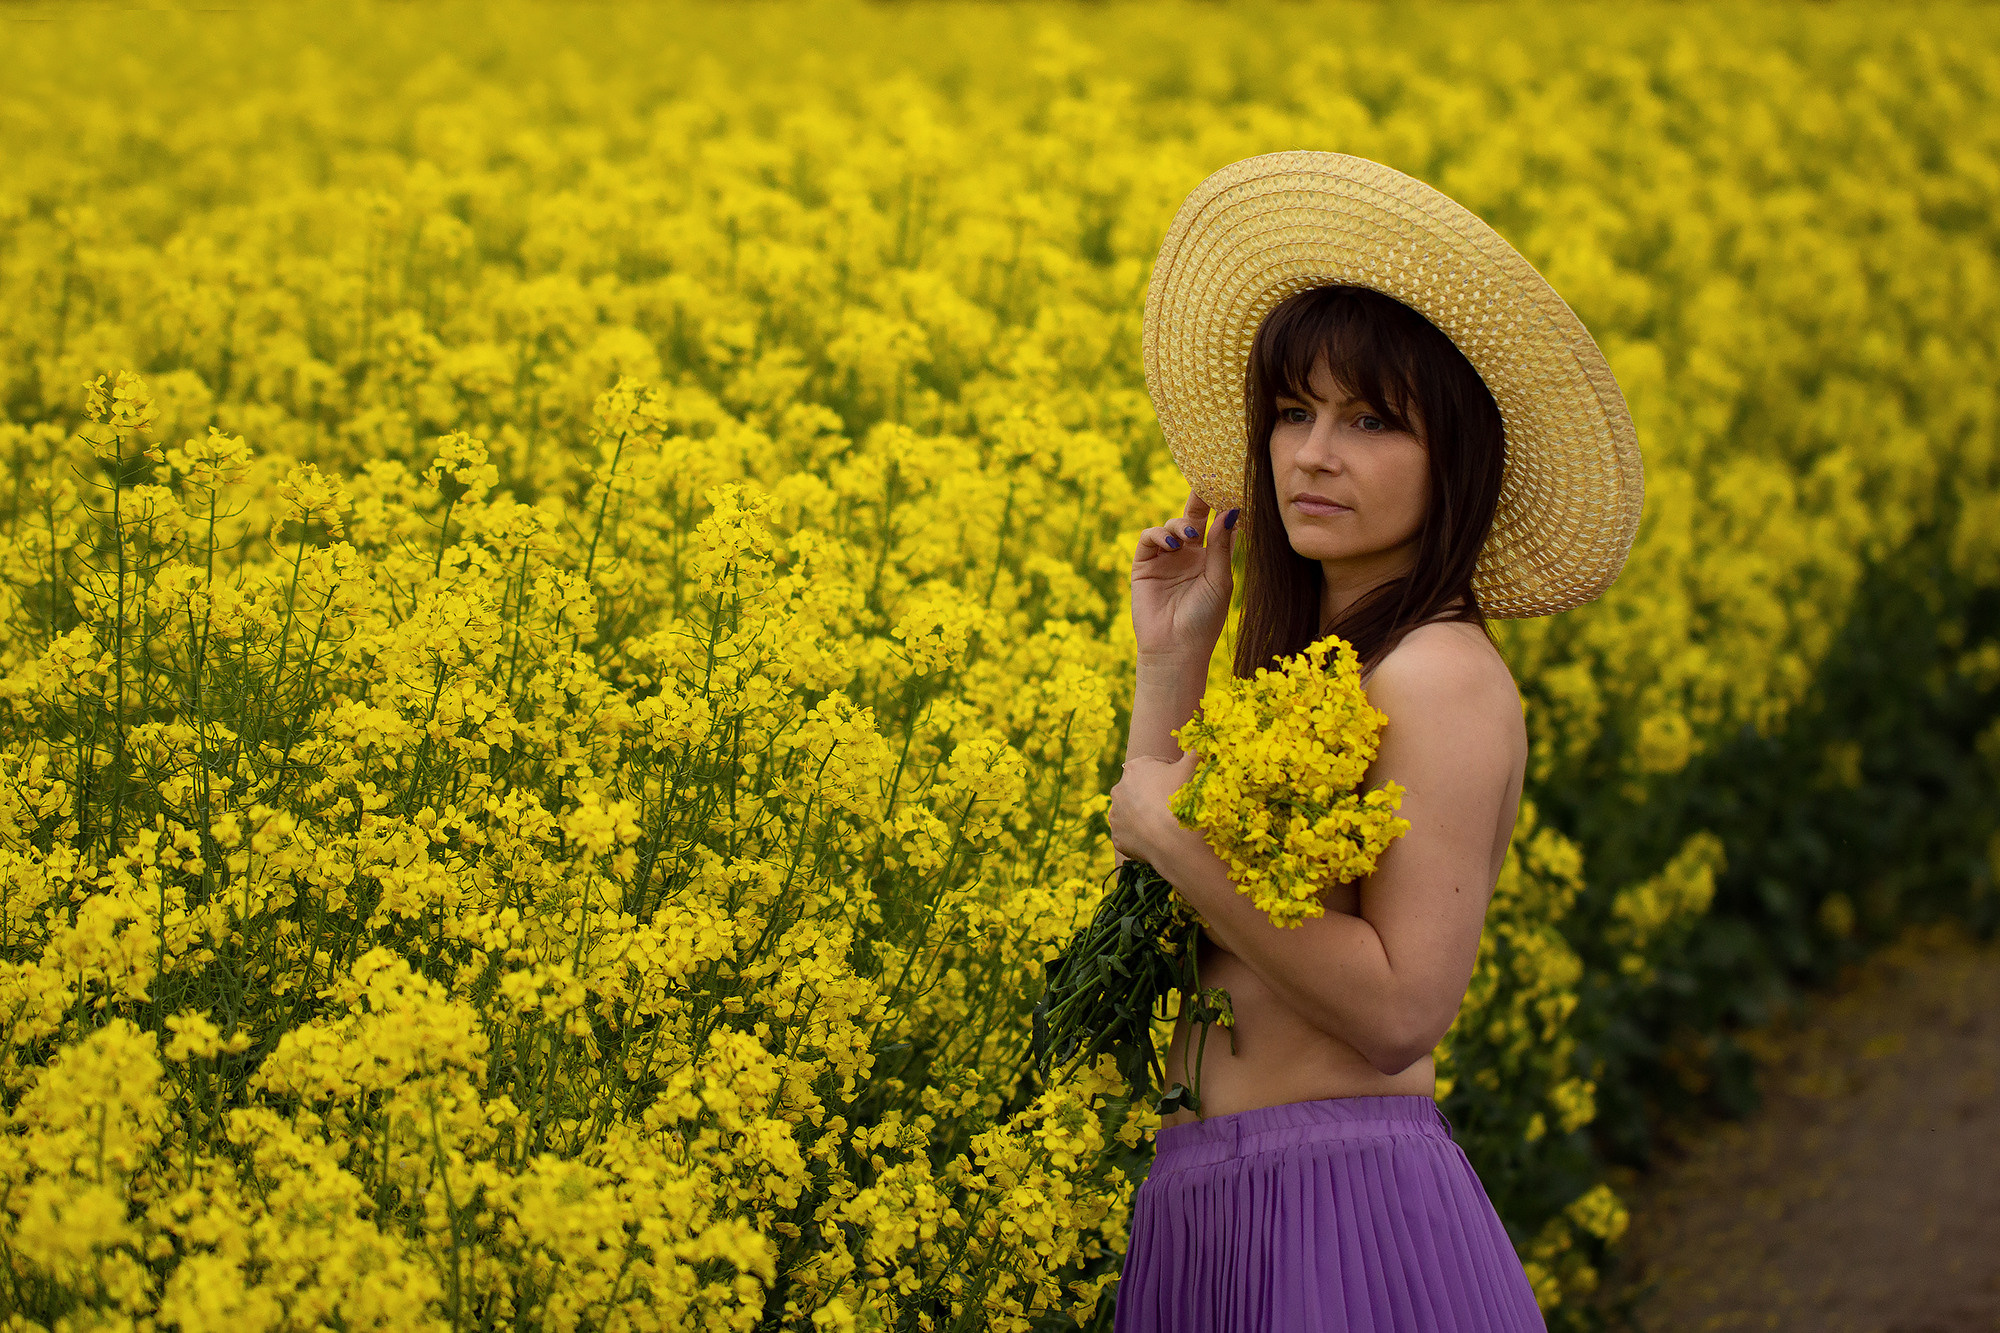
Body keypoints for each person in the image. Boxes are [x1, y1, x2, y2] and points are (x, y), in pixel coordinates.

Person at [1102, 152, 1645, 1332]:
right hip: (1214, 1210)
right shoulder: (1313, 672)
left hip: (1336, 1211)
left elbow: (1403, 1006)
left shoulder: (1437, 673)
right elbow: (1148, 927)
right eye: (1291, 412)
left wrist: (1175, 838)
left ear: (1454, 457)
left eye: (1368, 421)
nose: (1310, 453)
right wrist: (1171, 666)